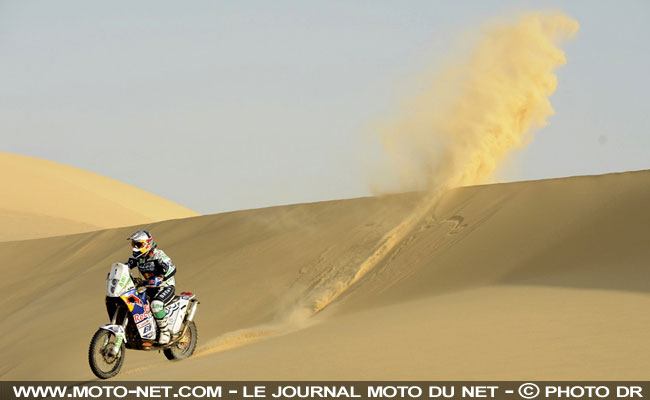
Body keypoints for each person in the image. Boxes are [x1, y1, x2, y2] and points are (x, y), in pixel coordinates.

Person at [126, 230, 176, 345]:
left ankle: (165, 332)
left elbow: (172, 268)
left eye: (138, 244)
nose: (135, 247)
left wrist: (161, 277)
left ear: (147, 244)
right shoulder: (137, 257)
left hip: (165, 286)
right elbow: (126, 266)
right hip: (149, 286)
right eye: (134, 244)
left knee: (156, 304)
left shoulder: (158, 255)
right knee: (136, 303)